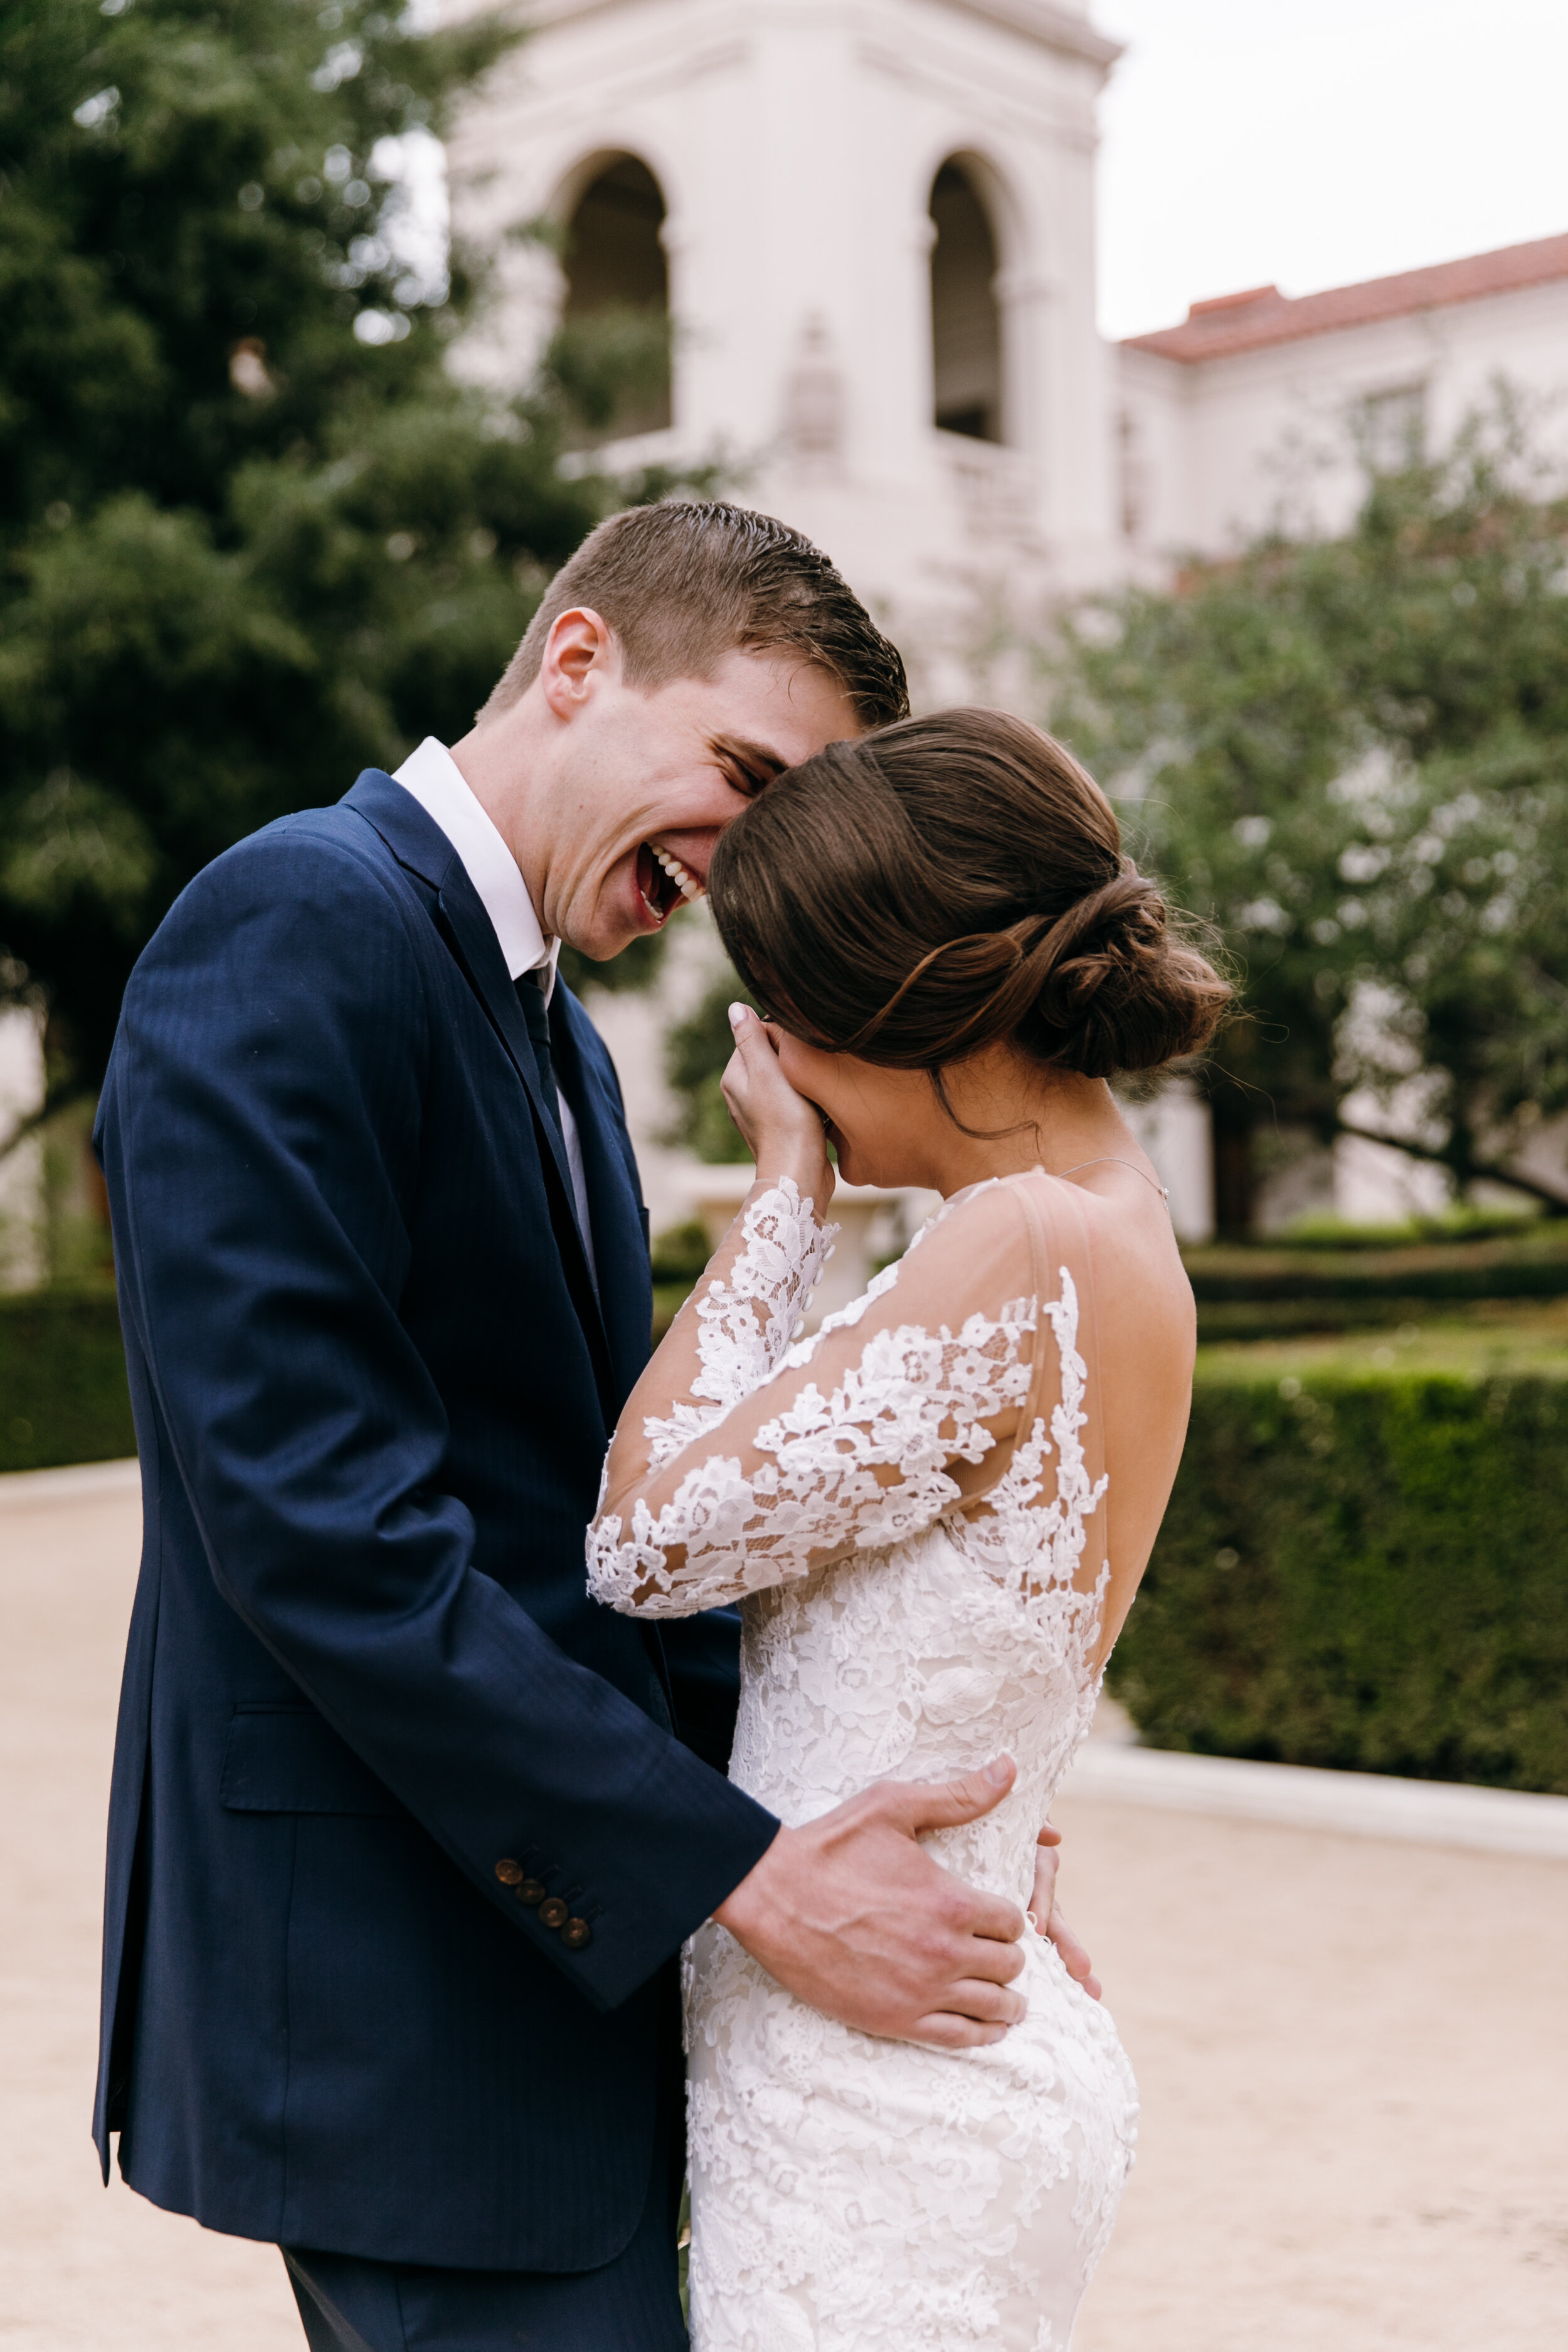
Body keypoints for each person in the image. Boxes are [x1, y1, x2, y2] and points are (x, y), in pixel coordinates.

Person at [92, 504, 1087, 2352]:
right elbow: (323, 1524)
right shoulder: (295, 920)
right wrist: (741, 1875)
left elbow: (602, 1534)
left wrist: (893, 1851)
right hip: (409, 2007)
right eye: (743, 771)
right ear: (574, 662)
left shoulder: (554, 1032)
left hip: (554, 1977)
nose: (748, 862)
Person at [589, 706, 1232, 2350]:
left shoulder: (1014, 1241)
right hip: (939, 2043)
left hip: (880, 2106)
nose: (768, 1057)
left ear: (883, 1010)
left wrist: (785, 1196)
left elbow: (643, 1544)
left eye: (780, 1011)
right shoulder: (1114, 1231)